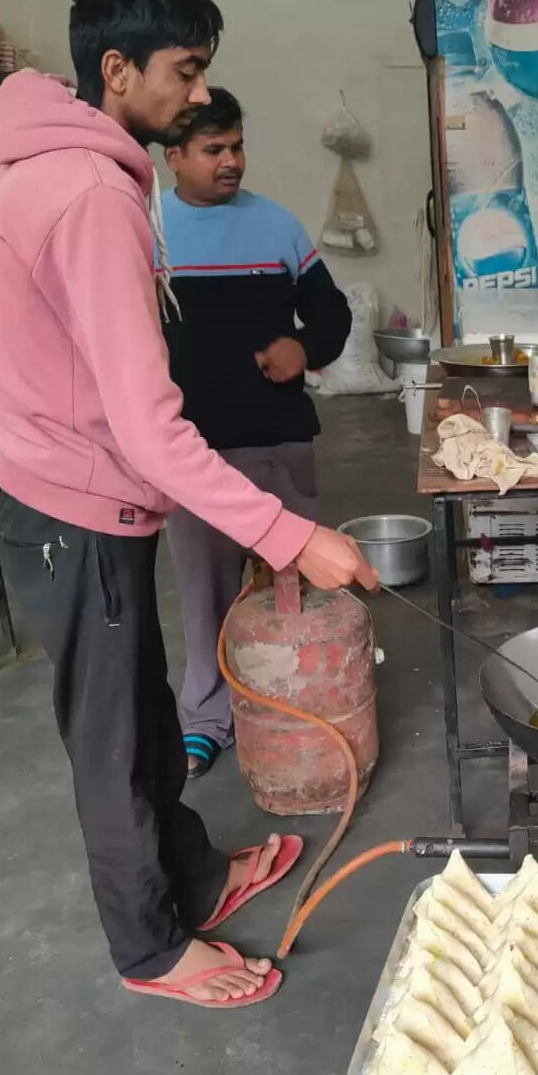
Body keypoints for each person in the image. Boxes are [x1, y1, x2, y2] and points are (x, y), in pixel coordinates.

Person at [0, 0, 377, 1010]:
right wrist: (291, 536)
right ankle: (148, 946)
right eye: (184, 74)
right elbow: (150, 426)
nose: (198, 100)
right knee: (112, 738)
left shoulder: (63, 167)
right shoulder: (93, 194)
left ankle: (190, 873)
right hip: (72, 507)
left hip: (76, 492)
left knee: (143, 712)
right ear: (117, 71)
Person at [156, 87, 352, 778]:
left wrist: (306, 348)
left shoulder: (276, 226)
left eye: (237, 145)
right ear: (172, 155)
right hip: (191, 451)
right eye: (214, 150)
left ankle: (301, 701)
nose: (232, 161)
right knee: (204, 594)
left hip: (277, 437)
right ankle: (208, 716)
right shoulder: (146, 230)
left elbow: (331, 316)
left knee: (291, 584)